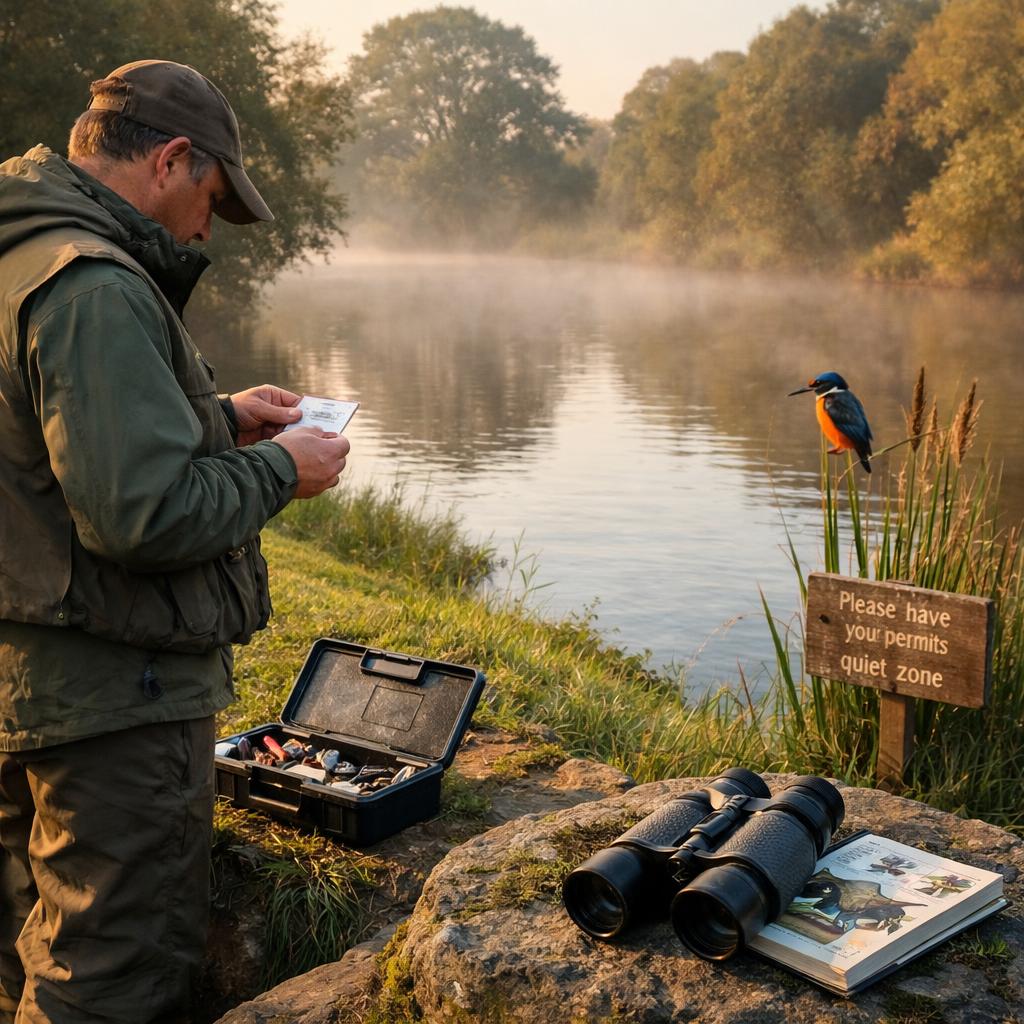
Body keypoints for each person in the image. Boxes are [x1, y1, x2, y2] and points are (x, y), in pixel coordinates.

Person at [0, 60, 350, 1023]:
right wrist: (286, 470)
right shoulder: (95, 286)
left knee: (31, 955)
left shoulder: (20, 251)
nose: (206, 229)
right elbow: (141, 517)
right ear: (172, 159)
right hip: (112, 703)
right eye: (212, 198)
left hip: (29, 674)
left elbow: (43, 447)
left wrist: (218, 416)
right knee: (106, 985)